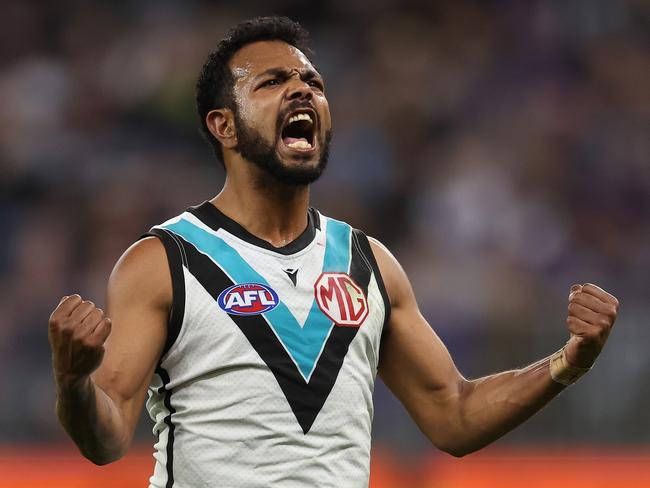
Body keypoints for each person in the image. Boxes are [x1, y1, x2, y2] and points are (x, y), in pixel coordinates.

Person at [48, 16, 619, 488]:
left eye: (313, 83)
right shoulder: (164, 261)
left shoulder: (367, 263)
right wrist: (74, 384)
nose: (302, 91)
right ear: (222, 125)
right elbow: (109, 436)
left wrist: (567, 363)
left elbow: (455, 414)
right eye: (271, 82)